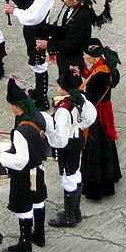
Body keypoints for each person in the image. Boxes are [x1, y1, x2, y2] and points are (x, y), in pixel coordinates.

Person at [0, 78, 48, 252]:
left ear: (15, 106)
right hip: (39, 168)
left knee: (24, 207)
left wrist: (1, 156)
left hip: (25, 175)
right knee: (38, 201)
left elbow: (21, 161)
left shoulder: (20, 131)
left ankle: (24, 245)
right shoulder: (39, 116)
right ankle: (39, 235)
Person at [4, 0, 59, 110]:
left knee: (39, 61)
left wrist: (15, 11)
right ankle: (39, 91)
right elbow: (28, 1)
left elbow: (33, 16)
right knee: (34, 59)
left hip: (38, 29)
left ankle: (42, 99)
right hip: (31, 28)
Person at [46, 67, 96, 228]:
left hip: (68, 143)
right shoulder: (80, 98)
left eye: (59, 86)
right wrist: (78, 125)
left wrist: (49, 137)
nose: (57, 88)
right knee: (75, 172)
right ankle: (75, 212)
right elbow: (90, 117)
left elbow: (60, 138)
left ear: (65, 89)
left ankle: (68, 217)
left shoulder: (63, 109)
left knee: (67, 175)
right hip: (78, 137)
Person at [80, 38, 122, 200]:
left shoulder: (100, 74)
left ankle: (97, 187)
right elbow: (91, 78)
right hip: (105, 110)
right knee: (106, 143)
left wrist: (77, 95)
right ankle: (111, 174)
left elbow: (91, 98)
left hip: (97, 114)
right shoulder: (103, 66)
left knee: (95, 145)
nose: (85, 58)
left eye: (86, 55)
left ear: (93, 56)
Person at [36, 0, 92, 80]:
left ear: (75, 0)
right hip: (64, 57)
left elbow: (71, 43)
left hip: (73, 59)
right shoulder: (70, 9)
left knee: (70, 87)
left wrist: (49, 45)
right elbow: (64, 31)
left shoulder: (82, 17)